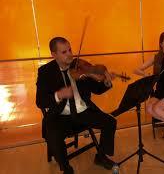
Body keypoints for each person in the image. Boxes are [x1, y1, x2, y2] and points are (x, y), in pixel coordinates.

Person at [36, 37, 117, 174]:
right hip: (61, 115)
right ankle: (66, 169)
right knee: (53, 135)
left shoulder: (79, 67)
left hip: (83, 111)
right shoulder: (45, 72)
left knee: (110, 122)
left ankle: (101, 156)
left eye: (70, 50)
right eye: (64, 52)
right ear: (54, 54)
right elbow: (40, 101)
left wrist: (106, 82)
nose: (69, 54)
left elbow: (96, 89)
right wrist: (59, 95)